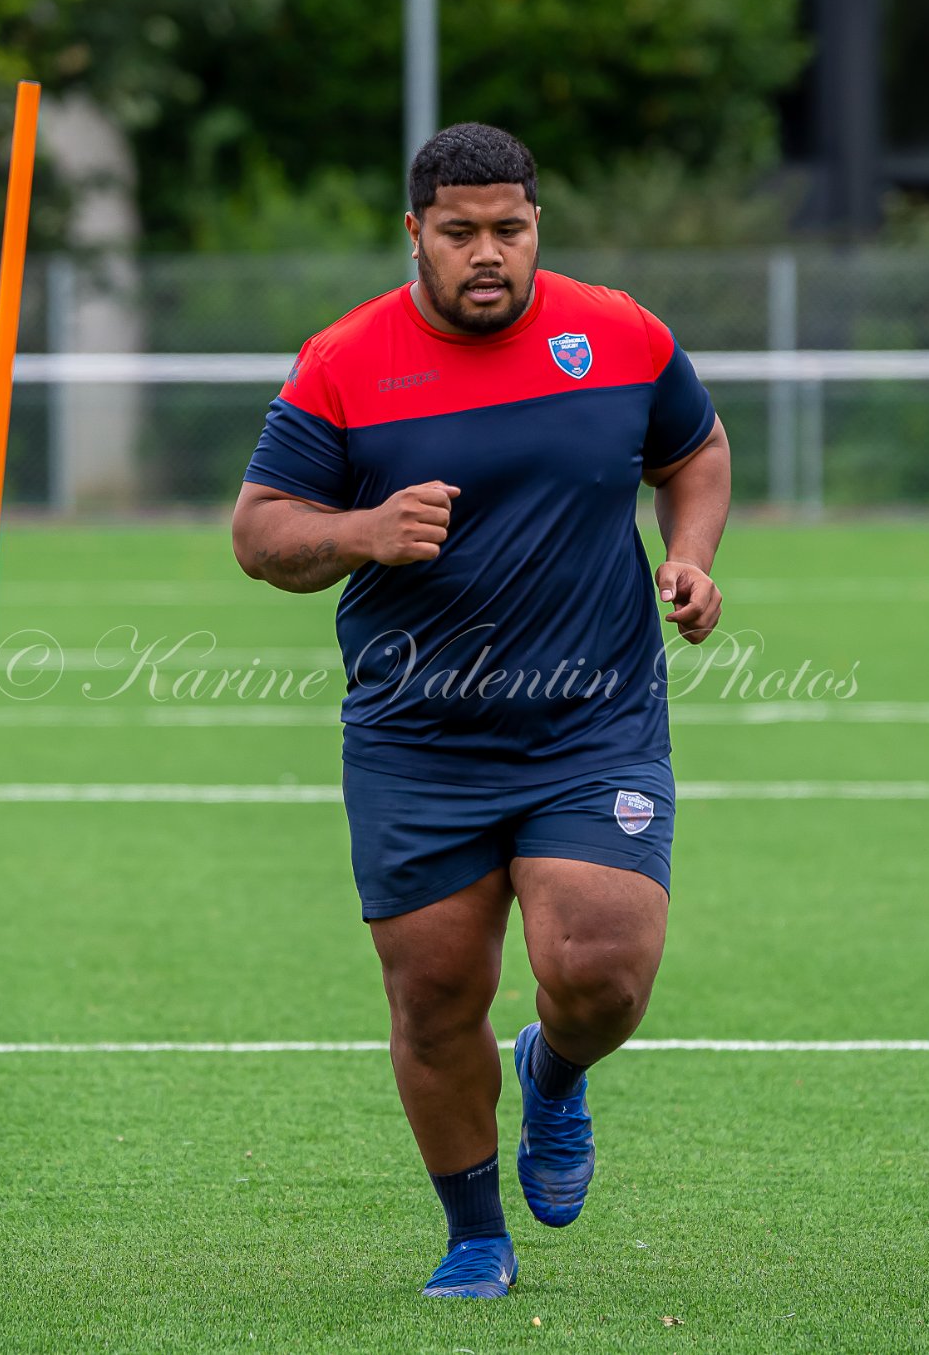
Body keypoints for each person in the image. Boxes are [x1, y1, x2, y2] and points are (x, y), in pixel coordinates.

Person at [230, 122, 731, 1299]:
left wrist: (692, 557)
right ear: (416, 233)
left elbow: (694, 451)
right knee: (436, 993)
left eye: (508, 228)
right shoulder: (344, 361)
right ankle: (472, 1235)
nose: (487, 253)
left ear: (535, 223)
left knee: (599, 965)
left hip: (589, 716)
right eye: (459, 233)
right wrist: (360, 531)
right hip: (417, 737)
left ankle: (553, 1074)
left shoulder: (618, 334)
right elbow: (258, 533)